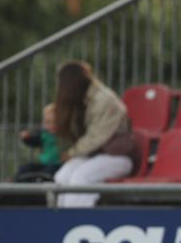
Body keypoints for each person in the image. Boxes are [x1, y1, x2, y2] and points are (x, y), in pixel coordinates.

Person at [52, 61, 137, 207]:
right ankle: (61, 221)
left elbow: (95, 138)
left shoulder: (104, 100)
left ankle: (77, 221)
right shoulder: (82, 99)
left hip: (118, 157)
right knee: (61, 176)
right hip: (93, 156)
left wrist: (71, 153)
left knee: (81, 178)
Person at [15, 103, 61, 182]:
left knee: (49, 172)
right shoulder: (44, 135)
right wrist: (26, 138)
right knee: (24, 169)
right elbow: (34, 141)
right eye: (48, 122)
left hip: (58, 165)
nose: (52, 125)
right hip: (44, 164)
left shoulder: (64, 135)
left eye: (54, 122)